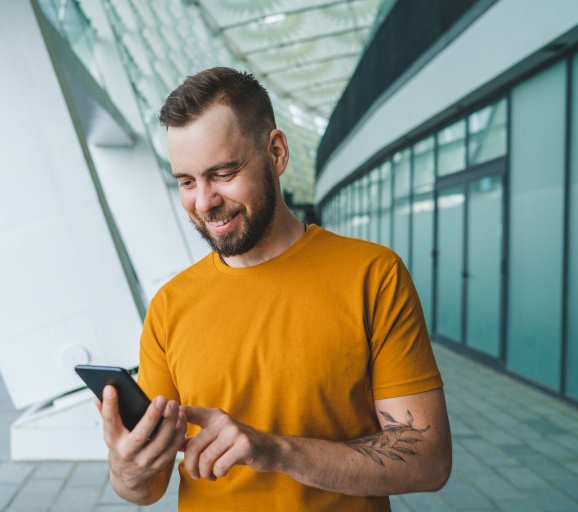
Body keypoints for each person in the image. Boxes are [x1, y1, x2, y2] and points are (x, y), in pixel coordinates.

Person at [95, 67, 452, 511]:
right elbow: (143, 491)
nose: (203, 201)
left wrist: (272, 451)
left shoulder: (373, 275)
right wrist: (128, 465)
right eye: (186, 181)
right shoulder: (170, 306)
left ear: (277, 152)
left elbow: (428, 460)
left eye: (223, 173)